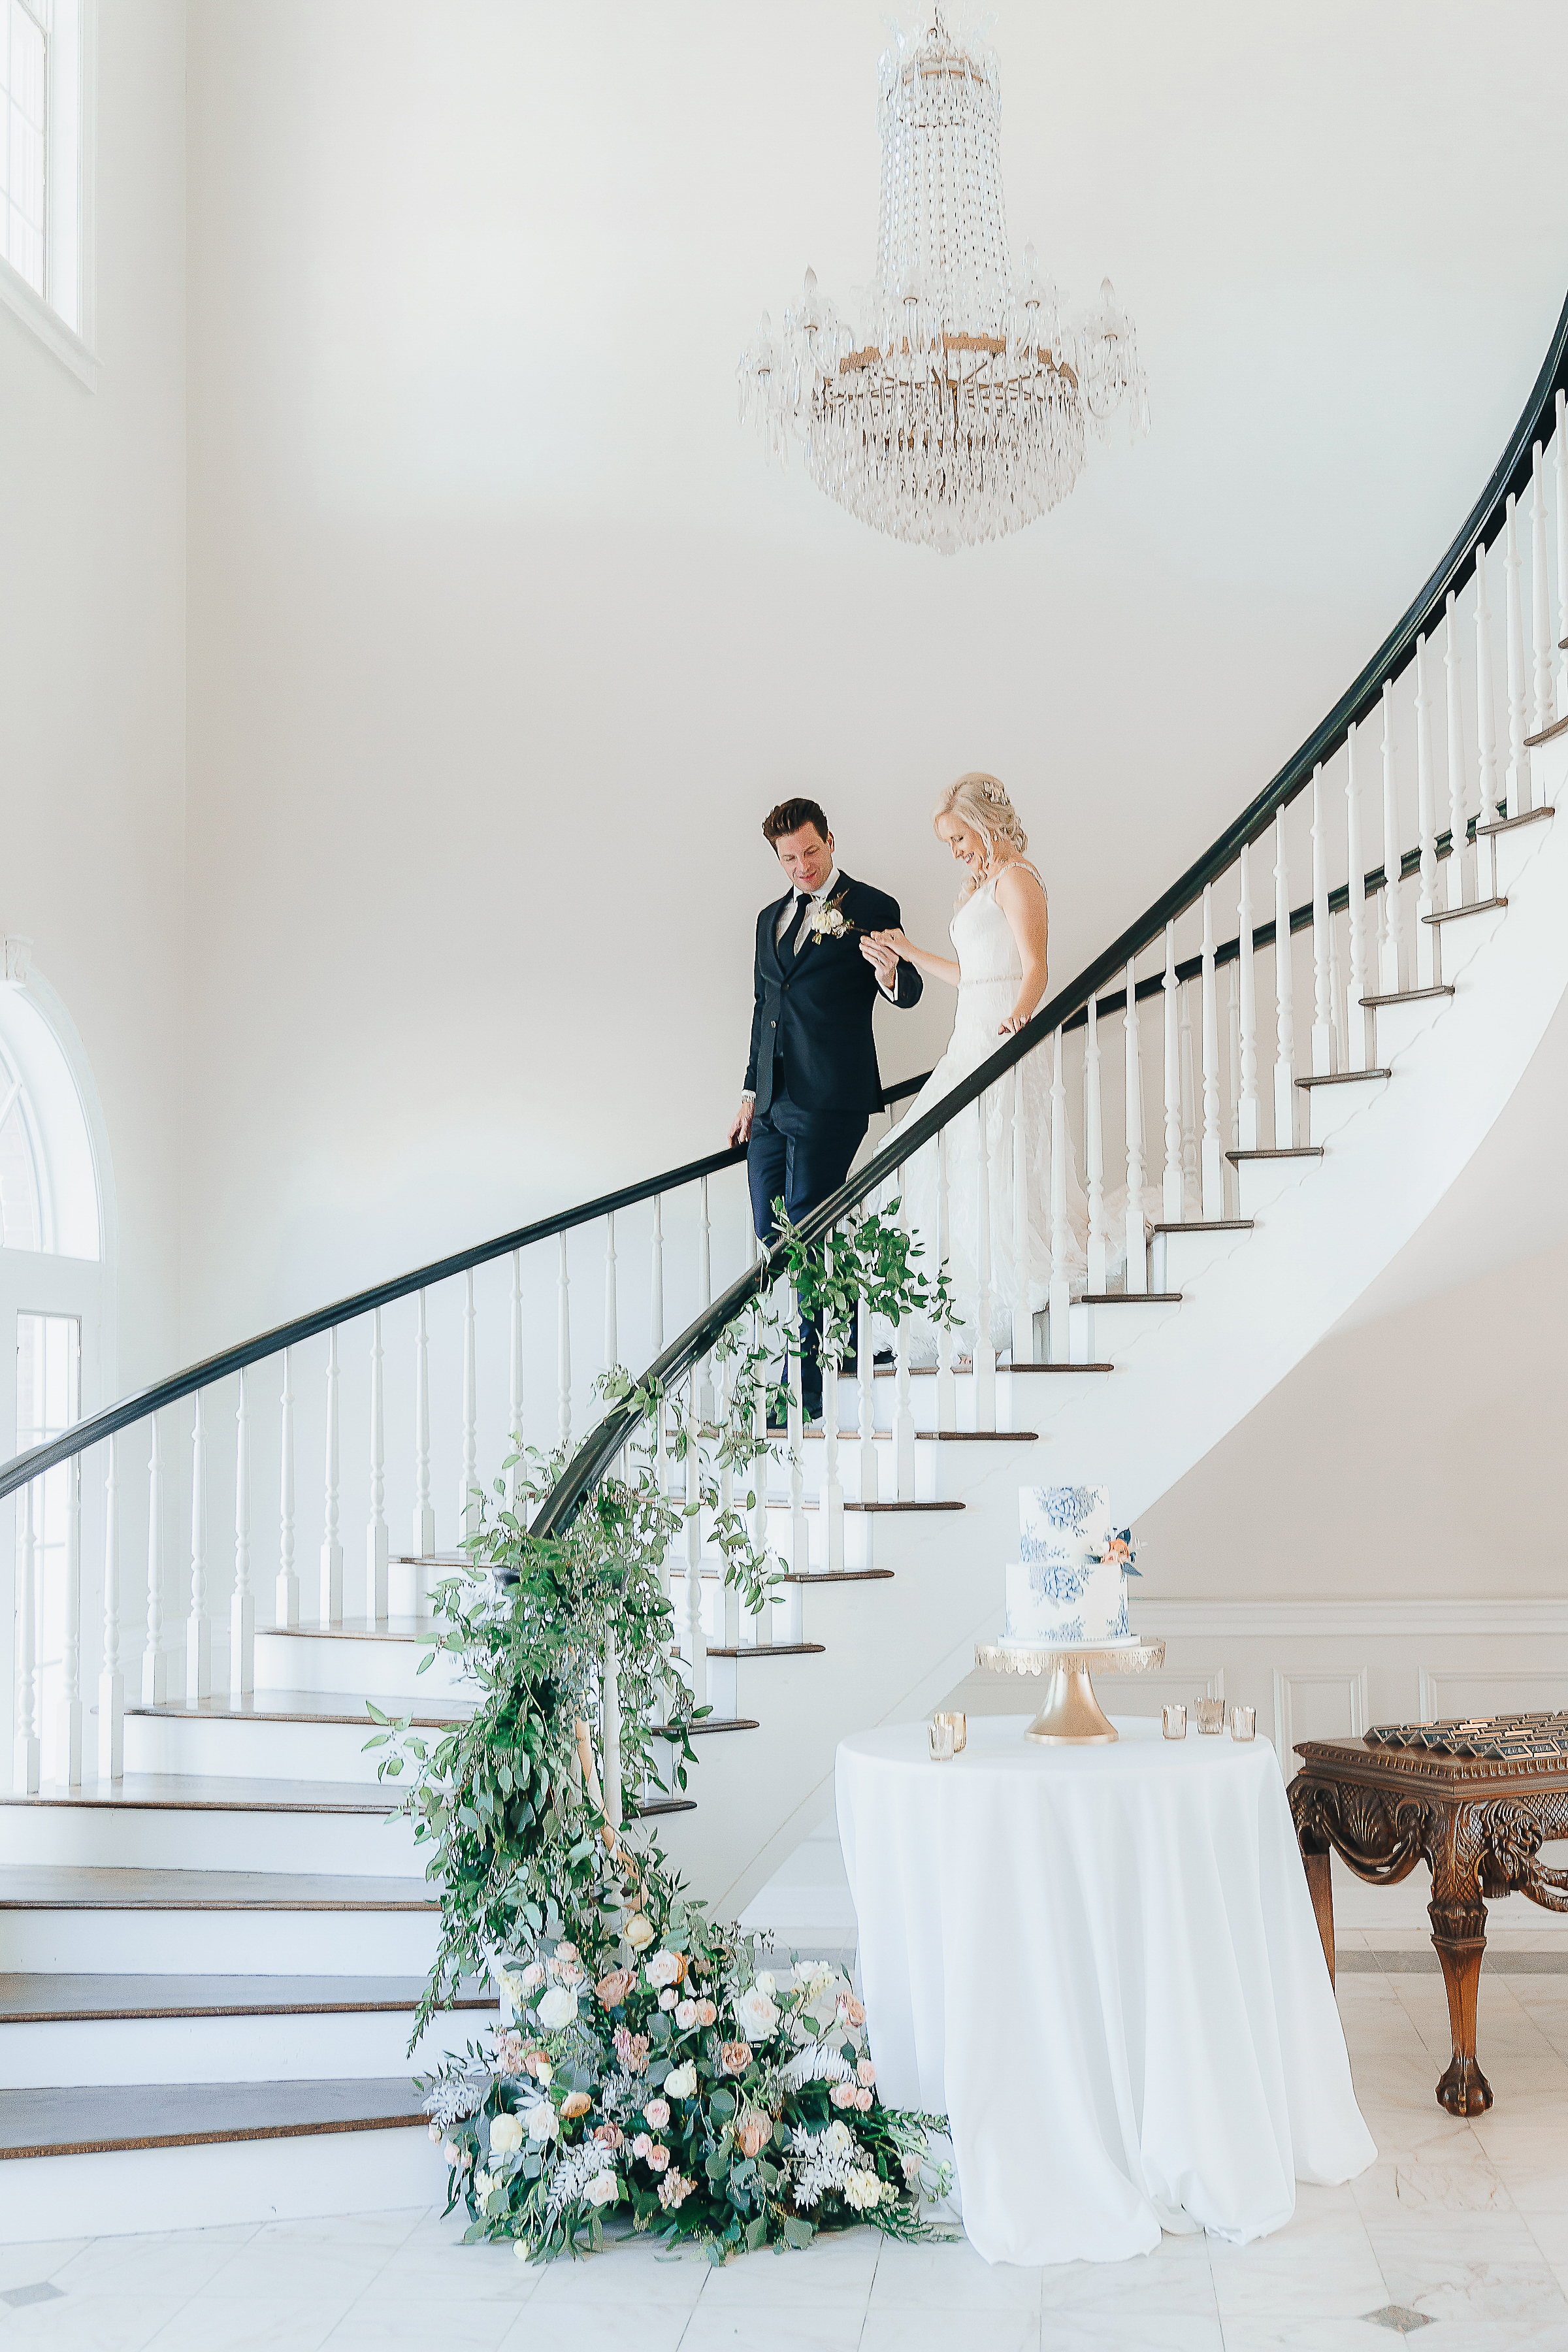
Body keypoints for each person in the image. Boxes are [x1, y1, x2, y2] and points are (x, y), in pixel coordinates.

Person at [859, 773, 1094, 1363]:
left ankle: (1001, 1302)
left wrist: (1017, 1021)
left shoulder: (1018, 879)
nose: (957, 851)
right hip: (967, 1036)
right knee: (946, 1159)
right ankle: (959, 1306)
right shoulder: (980, 886)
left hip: (1000, 1039)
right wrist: (908, 954)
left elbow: (1035, 967)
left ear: (983, 825)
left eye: (959, 838)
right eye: (951, 844)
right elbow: (971, 976)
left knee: (997, 1155)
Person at [730, 797, 923, 1420]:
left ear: (831, 842)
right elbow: (765, 1007)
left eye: (810, 852)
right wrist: (749, 1093)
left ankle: (804, 1390)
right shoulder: (767, 919)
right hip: (770, 1103)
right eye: (789, 858)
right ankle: (858, 1335)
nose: (802, 867)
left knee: (805, 1232)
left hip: (831, 1097)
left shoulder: (871, 907)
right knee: (771, 1232)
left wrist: (894, 974)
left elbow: (908, 990)